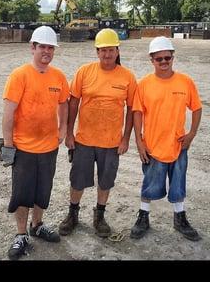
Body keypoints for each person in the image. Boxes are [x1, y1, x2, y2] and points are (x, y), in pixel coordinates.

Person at [59, 28, 137, 238]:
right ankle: (72, 214)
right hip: (84, 139)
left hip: (111, 142)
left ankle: (99, 215)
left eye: (111, 50)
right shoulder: (84, 72)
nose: (107, 54)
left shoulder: (128, 77)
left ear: (117, 51)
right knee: (78, 180)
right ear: (97, 51)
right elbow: (73, 102)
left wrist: (125, 139)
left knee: (105, 181)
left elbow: (132, 109)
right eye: (102, 50)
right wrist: (68, 133)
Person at [1, 25, 69, 260]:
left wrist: (63, 128)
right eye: (42, 47)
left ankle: (37, 225)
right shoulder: (19, 76)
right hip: (24, 148)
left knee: (43, 191)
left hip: (49, 147)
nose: (46, 52)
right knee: (22, 194)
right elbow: (9, 112)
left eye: (51, 47)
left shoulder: (58, 77)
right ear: (32, 47)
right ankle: (21, 234)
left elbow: (64, 104)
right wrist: (9, 144)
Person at [130, 36, 202, 242]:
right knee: (150, 183)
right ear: (151, 60)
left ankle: (180, 218)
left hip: (179, 145)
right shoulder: (144, 85)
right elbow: (137, 113)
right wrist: (139, 142)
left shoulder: (185, 82)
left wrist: (191, 134)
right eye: (159, 59)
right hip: (153, 146)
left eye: (167, 58)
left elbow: (197, 108)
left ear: (173, 57)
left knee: (178, 184)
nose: (163, 62)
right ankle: (143, 217)